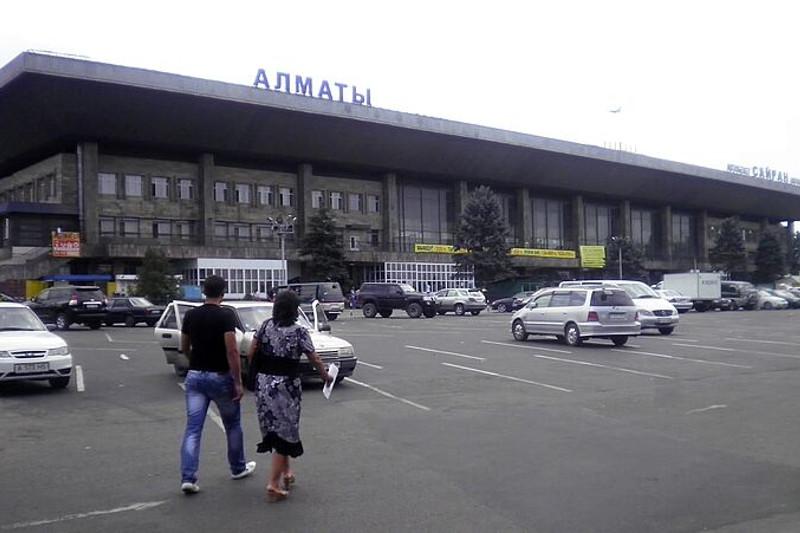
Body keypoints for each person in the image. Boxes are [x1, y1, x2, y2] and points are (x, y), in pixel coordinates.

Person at [247, 289, 332, 502]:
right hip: (286, 386)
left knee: (276, 431)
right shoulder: (299, 331)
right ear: (295, 309)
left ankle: (287, 473)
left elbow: (251, 351)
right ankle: (273, 484)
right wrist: (325, 376)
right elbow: (314, 358)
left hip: (264, 384)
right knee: (285, 432)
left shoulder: (265, 326)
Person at [179, 275, 256, 494]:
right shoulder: (225, 315)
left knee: (193, 429)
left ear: (204, 291)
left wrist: (194, 360)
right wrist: (238, 381)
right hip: (220, 376)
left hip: (195, 376)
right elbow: (232, 350)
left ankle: (188, 477)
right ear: (223, 293)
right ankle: (238, 467)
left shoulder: (191, 315)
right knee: (232, 425)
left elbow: (184, 346)